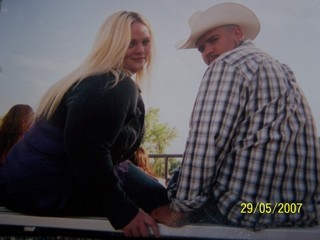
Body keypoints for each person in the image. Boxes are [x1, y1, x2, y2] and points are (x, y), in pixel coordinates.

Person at [151, 2, 320, 230]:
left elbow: (207, 143)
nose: (207, 51)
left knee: (160, 186)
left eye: (213, 40)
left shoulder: (227, 65)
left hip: (247, 209)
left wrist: (179, 211)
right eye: (201, 48)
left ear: (237, 34)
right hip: (297, 210)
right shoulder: (282, 69)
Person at [0, 11, 168, 238]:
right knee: (160, 212)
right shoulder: (110, 85)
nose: (141, 50)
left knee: (161, 197)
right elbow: (86, 150)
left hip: (24, 183)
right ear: (112, 45)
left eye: (145, 42)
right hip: (39, 189)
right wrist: (123, 211)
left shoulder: (101, 80)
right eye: (130, 43)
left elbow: (109, 156)